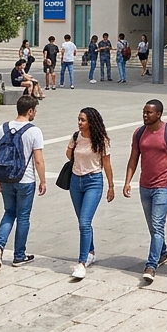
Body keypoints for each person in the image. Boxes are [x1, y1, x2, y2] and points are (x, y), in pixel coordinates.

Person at [122, 100, 167, 284]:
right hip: (145, 185)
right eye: (144, 112)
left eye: (149, 112)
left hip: (163, 186)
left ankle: (151, 265)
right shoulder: (139, 133)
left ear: (159, 114)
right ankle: (162, 253)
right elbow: (133, 158)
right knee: (152, 226)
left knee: (157, 225)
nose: (145, 115)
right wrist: (127, 181)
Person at [0, 95, 46, 269]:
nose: (35, 113)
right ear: (30, 111)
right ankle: (19, 256)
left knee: (8, 212)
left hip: (5, 177)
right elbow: (38, 160)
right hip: (25, 180)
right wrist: (43, 180)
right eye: (35, 110)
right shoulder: (34, 131)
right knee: (23, 217)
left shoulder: (2, 128)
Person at [65, 107, 115, 280]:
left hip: (93, 181)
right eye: (78, 119)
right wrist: (71, 145)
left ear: (91, 122)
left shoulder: (101, 140)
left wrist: (111, 186)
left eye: (83, 120)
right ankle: (91, 252)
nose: (79, 123)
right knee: (82, 221)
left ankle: (81, 263)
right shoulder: (76, 137)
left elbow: (107, 163)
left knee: (85, 222)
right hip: (75, 181)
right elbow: (68, 155)